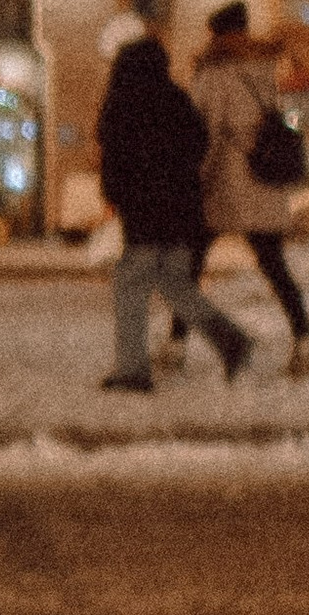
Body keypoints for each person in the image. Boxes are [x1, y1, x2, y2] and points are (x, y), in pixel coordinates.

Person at [93, 21, 252, 392]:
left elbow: (114, 159)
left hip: (144, 213)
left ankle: (132, 370)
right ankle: (230, 340)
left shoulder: (123, 103)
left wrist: (115, 195)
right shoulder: (177, 99)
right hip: (182, 212)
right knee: (174, 283)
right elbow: (198, 145)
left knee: (130, 285)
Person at [192, 0, 309, 377]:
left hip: (228, 183)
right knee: (274, 265)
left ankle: (179, 343)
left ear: (217, 34)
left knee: (190, 265)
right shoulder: (263, 69)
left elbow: (208, 132)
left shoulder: (215, 73)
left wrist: (197, 177)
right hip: (262, 184)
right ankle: (304, 340)